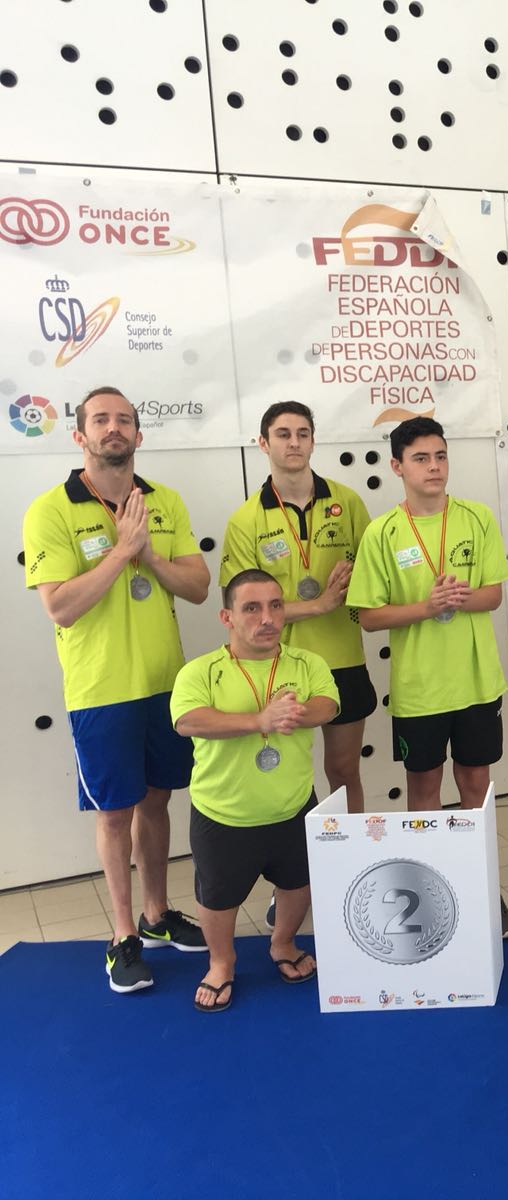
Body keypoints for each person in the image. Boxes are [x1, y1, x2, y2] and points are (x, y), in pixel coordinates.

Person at [22, 386, 209, 993]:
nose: (114, 428)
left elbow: (198, 587)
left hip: (165, 684)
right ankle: (123, 935)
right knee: (114, 813)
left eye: (124, 419)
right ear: (80, 435)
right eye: (100, 419)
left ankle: (156, 916)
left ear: (138, 434)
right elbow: (61, 606)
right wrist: (122, 551)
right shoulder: (51, 510)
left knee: (157, 801)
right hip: (100, 690)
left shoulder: (164, 500)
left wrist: (148, 555)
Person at [347, 416, 508, 938]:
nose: (434, 467)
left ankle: (482, 887)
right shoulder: (383, 532)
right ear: (397, 467)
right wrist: (427, 606)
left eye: (441, 456)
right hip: (420, 690)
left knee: (475, 786)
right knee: (423, 790)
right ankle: (429, 892)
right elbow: (368, 615)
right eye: (421, 458)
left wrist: (458, 599)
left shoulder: (476, 518)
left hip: (475, 683)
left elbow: (493, 594)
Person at [221, 401, 374, 931]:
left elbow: (370, 575)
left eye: (303, 433)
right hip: (277, 669)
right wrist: (317, 604)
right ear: (263, 443)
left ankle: (351, 864)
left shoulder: (348, 502)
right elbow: (245, 607)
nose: (294, 442)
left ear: (313, 440)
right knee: (288, 781)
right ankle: (291, 884)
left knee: (344, 771)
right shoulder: (247, 519)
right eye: (282, 434)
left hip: (343, 661)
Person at [171, 571, 338, 1012]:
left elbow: (328, 704)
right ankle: (221, 963)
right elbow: (187, 720)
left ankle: (283, 944)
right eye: (251, 608)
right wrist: (258, 721)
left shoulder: (307, 664)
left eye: (275, 606)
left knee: (298, 883)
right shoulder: (200, 671)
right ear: (226, 617)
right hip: (223, 813)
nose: (267, 618)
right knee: (217, 897)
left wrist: (293, 714)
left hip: (293, 806)